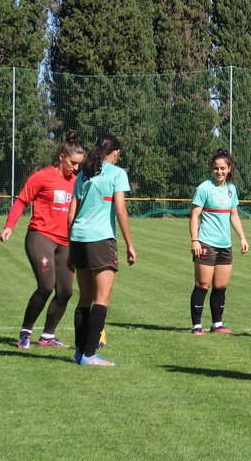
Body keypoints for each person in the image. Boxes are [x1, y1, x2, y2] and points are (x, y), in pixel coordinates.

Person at [0, 132, 85, 349]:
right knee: (46, 286)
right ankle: (25, 332)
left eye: (79, 164)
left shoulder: (78, 182)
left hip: (66, 242)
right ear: (61, 157)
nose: (75, 168)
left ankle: (48, 336)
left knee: (65, 291)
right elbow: (21, 202)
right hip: (41, 237)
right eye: (73, 163)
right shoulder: (41, 177)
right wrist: (9, 226)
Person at [67, 134, 137, 367]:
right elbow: (120, 211)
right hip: (101, 239)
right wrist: (129, 244)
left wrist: (70, 246)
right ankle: (89, 355)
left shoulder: (84, 173)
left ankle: (79, 353)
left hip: (78, 238)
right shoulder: (117, 174)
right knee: (102, 299)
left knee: (84, 298)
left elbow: (71, 214)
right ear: (115, 152)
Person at [189, 149, 249, 335]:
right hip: (206, 243)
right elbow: (194, 216)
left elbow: (234, 215)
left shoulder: (232, 189)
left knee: (221, 285)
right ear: (212, 169)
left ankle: (217, 324)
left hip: (225, 245)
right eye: (216, 168)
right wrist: (195, 240)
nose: (219, 172)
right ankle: (197, 326)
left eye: (223, 168)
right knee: (203, 284)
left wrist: (242, 237)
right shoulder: (204, 188)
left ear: (229, 168)